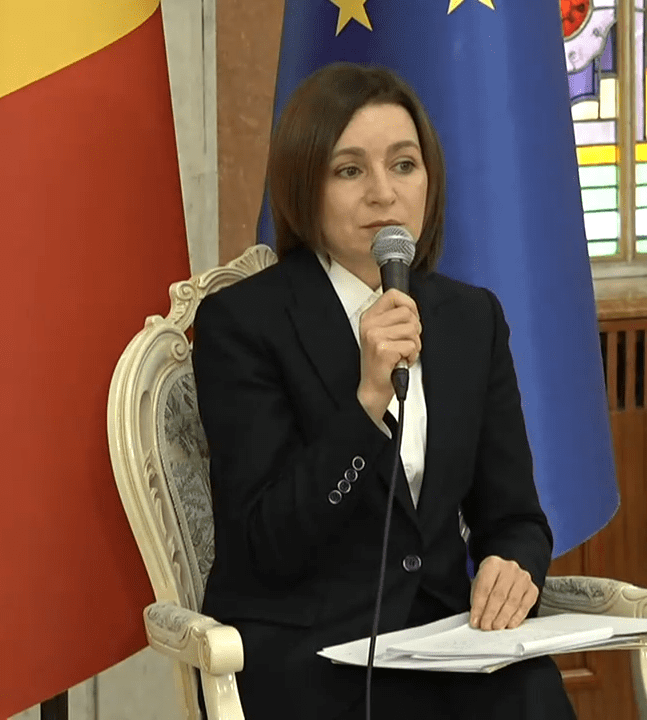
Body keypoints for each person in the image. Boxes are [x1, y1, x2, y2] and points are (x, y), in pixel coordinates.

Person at [191, 63, 578, 720]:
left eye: (404, 165)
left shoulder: (471, 319)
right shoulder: (244, 325)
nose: (383, 193)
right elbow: (265, 544)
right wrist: (367, 401)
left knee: (534, 696)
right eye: (349, 170)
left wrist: (513, 564)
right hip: (311, 653)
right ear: (305, 186)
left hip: (446, 643)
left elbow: (514, 517)